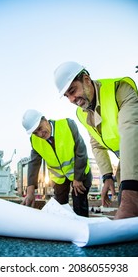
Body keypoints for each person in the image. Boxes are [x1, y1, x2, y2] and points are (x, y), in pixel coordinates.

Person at [54, 61, 138, 219]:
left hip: (135, 149)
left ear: (86, 79)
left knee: (130, 201)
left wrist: (131, 191)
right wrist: (107, 176)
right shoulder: (83, 114)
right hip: (126, 158)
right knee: (125, 206)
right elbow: (96, 144)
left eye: (72, 91)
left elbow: (130, 130)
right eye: (67, 96)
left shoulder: (119, 90)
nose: (71, 99)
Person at [22, 109, 92, 217]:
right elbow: (34, 163)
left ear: (45, 119)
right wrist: (30, 192)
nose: (40, 134)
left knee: (79, 203)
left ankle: (84, 230)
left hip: (80, 173)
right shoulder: (34, 140)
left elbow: (81, 152)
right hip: (59, 179)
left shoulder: (68, 125)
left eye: (40, 128)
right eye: (35, 133)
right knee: (60, 208)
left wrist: (78, 178)